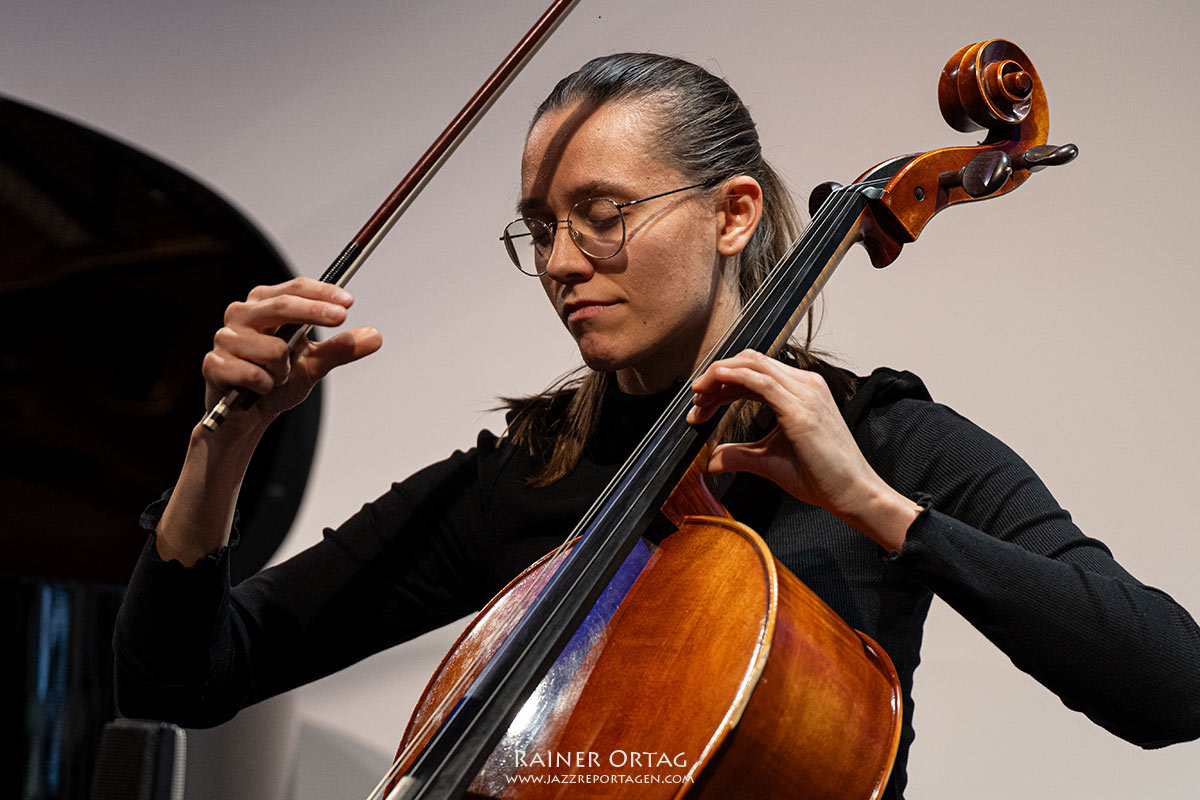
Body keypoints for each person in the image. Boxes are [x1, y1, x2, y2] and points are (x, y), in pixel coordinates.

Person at [113, 53, 1200, 798]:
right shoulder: (527, 473)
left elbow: (1170, 684)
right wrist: (226, 445)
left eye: (603, 215)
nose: (560, 262)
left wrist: (874, 504)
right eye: (542, 229)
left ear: (731, 212)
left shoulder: (887, 439)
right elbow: (182, 676)